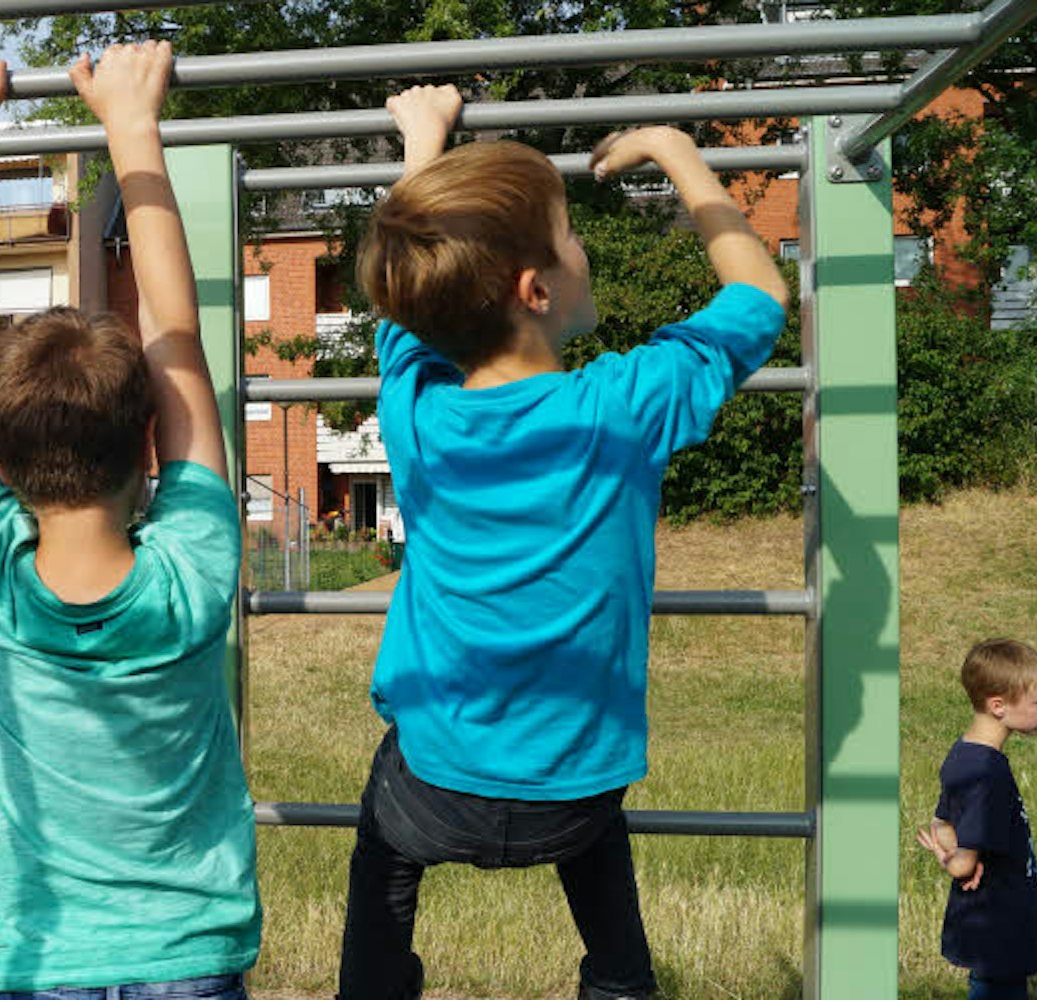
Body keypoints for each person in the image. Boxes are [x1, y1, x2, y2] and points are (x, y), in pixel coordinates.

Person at [335, 83, 791, 1000]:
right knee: (587, 820)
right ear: (536, 290)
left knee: (380, 848)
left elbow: (408, 313)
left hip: (434, 792)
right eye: (571, 235)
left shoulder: (415, 411)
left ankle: (372, 988)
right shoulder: (623, 405)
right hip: (576, 799)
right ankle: (621, 983)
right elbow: (759, 295)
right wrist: (676, 151)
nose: (584, 247)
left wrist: (423, 139)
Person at [0, 42, 259, 999]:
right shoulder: (191, 572)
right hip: (187, 953)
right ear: (150, 440)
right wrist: (131, 124)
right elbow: (178, 338)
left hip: (35, 956)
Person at [918, 639, 1037, 1000]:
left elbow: (941, 820)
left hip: (993, 923)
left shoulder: (964, 753)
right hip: (1000, 923)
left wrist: (955, 844)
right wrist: (952, 858)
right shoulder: (987, 773)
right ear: (998, 706)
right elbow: (962, 866)